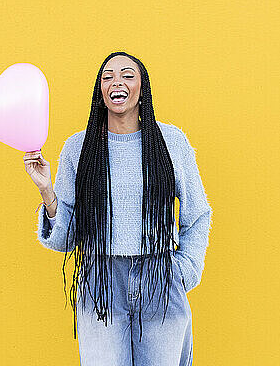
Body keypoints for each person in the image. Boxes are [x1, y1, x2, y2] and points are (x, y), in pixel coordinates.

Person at [23, 51, 212, 365]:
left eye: (127, 74)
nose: (117, 82)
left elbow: (198, 213)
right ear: (101, 90)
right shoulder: (78, 147)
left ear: (142, 87)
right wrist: (46, 190)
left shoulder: (171, 142)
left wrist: (183, 273)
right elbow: (66, 238)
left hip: (159, 278)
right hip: (101, 279)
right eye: (107, 76)